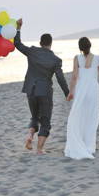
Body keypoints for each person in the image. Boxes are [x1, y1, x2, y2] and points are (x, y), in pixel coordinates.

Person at [14, 19, 69, 154]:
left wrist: (18, 28)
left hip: (31, 90)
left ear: (40, 43)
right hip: (44, 92)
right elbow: (60, 78)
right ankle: (39, 149)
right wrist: (67, 93)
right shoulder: (56, 60)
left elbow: (18, 44)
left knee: (34, 117)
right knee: (45, 121)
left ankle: (29, 137)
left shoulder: (32, 51)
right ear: (50, 44)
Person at [64, 37, 99, 160]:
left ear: (80, 48)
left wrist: (71, 92)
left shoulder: (77, 58)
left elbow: (74, 76)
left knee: (78, 117)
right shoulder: (98, 59)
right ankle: (89, 146)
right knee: (91, 118)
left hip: (81, 91)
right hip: (93, 91)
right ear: (90, 45)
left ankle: (81, 144)